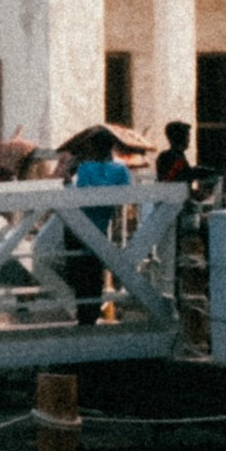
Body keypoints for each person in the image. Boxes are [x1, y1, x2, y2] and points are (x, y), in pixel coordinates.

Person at [65, 126, 136, 326]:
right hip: (100, 227)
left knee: (80, 275)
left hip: (78, 226)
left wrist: (67, 177)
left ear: (93, 148)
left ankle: (85, 316)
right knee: (94, 274)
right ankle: (91, 315)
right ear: (112, 147)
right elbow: (129, 196)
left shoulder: (86, 168)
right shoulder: (121, 170)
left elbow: (81, 195)